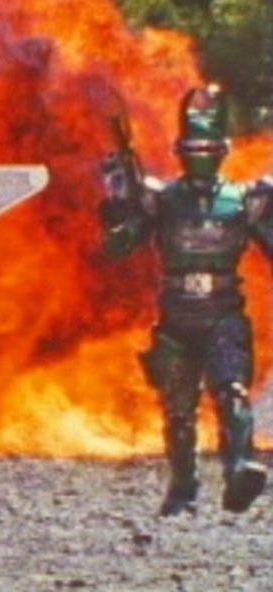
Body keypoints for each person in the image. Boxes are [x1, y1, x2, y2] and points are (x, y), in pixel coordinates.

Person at [99, 84, 273, 516]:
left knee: (232, 391)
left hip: (224, 310)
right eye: (195, 148)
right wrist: (116, 211)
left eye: (208, 148)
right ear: (180, 151)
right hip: (176, 314)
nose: (202, 155)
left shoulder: (244, 201)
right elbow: (118, 247)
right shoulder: (161, 200)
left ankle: (239, 468)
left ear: (223, 151)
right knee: (179, 411)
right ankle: (182, 489)